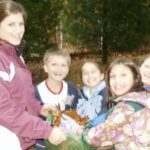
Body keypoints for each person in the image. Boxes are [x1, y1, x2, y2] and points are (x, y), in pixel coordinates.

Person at [0, 1, 66, 150]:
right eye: (11, 25)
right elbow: (3, 109)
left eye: (21, 24)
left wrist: (39, 108)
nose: (18, 31)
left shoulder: (15, 56)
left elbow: (20, 95)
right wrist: (46, 130)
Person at [83, 58, 150, 149]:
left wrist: (86, 130)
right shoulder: (143, 97)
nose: (117, 80)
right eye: (113, 76)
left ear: (136, 78)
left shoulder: (127, 109)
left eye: (123, 75)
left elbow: (96, 137)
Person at [34, 48, 79, 149]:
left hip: (68, 138)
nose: (59, 69)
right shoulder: (37, 92)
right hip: (45, 140)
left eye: (63, 65)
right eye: (54, 64)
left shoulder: (71, 90)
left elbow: (74, 113)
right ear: (45, 67)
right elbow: (33, 120)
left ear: (68, 70)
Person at [59, 59, 108, 136]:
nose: (89, 76)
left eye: (93, 72)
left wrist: (88, 127)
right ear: (82, 78)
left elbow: (105, 116)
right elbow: (68, 107)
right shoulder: (79, 93)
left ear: (102, 75)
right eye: (85, 73)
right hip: (79, 130)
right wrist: (68, 98)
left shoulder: (106, 93)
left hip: (98, 132)